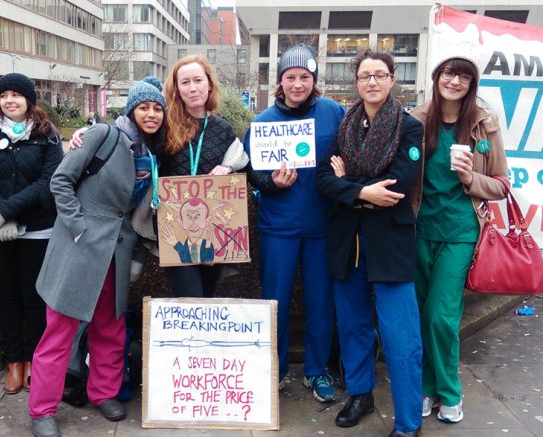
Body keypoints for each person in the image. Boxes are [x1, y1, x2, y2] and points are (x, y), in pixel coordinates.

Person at [27, 77, 166, 437]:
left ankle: (103, 392)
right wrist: (77, 227)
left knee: (111, 326)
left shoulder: (152, 152)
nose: (151, 114)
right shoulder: (102, 135)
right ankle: (42, 409)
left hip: (118, 250)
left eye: (157, 108)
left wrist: (135, 253)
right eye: (144, 106)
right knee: (59, 331)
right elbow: (60, 181)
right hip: (80, 247)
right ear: (131, 109)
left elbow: (138, 209)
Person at [315, 49, 424, 437]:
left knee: (401, 336)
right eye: (365, 75)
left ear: (393, 80)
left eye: (380, 74)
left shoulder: (408, 127)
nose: (372, 82)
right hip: (348, 241)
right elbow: (323, 181)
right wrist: (362, 191)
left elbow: (398, 183)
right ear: (356, 82)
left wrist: (349, 183)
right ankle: (361, 394)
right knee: (353, 326)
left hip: (389, 242)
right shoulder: (345, 127)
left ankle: (409, 420)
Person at [410, 46, 508, 424]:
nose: (454, 81)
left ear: (471, 84)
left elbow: (501, 185)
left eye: (463, 76)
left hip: (461, 232)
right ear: (436, 78)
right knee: (420, 313)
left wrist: (470, 178)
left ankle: (449, 391)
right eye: (448, 74)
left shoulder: (485, 124)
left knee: (442, 316)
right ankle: (425, 389)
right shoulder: (416, 120)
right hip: (418, 229)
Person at [243, 44, 345, 399]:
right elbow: (251, 172)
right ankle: (276, 368)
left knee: (321, 302)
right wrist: (271, 182)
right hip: (278, 227)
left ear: (314, 80)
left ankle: (316, 371)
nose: (298, 84)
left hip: (323, 226)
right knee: (276, 302)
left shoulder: (334, 112)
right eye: (290, 77)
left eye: (304, 77)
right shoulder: (262, 122)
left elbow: (354, 149)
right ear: (280, 82)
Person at [0, 73, 63, 395]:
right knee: (7, 297)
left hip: (37, 229)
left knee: (33, 298)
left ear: (29, 99)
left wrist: (9, 210)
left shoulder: (47, 135)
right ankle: (13, 361)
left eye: (16, 94)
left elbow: (49, 181)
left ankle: (33, 360)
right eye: (4, 95)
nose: (9, 100)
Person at [161, 54, 249, 297]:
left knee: (206, 299)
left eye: (198, 80)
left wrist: (229, 168)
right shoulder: (166, 125)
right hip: (175, 226)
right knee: (191, 298)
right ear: (177, 89)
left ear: (209, 84)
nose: (192, 88)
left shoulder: (223, 129)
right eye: (185, 82)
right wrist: (89, 132)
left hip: (211, 229)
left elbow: (242, 162)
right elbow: (133, 136)